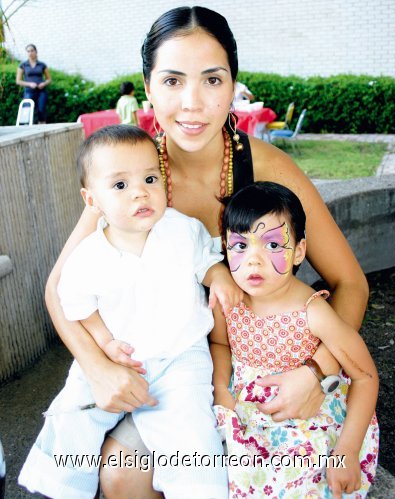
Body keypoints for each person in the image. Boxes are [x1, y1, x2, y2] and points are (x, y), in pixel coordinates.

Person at [43, 7, 369, 497]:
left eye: (212, 80)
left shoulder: (267, 167)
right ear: (148, 88)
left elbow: (350, 282)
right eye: (172, 81)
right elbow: (60, 286)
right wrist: (98, 365)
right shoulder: (130, 175)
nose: (192, 103)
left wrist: (315, 370)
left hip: (269, 370)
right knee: (119, 473)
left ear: (234, 84)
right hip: (167, 366)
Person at [19, 125, 239, 498]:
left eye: (150, 178)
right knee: (73, 413)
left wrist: (220, 279)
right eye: (120, 185)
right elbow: (78, 307)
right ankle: (59, 487)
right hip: (119, 357)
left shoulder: (182, 230)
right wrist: (105, 343)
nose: (140, 191)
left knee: (189, 427)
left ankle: (199, 488)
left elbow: (208, 262)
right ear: (92, 200)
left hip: (180, 356)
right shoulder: (88, 255)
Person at [211, 181, 379, 498]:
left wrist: (347, 450)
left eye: (273, 245)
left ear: (299, 250)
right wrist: (221, 387)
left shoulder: (313, 312)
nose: (254, 260)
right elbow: (221, 345)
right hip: (243, 413)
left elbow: (365, 375)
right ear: (225, 245)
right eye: (241, 246)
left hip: (303, 422)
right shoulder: (228, 302)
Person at [16, 44, 51, 123]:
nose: (30, 53)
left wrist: (44, 83)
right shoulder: (23, 65)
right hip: (29, 91)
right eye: (28, 51)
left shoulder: (42, 65)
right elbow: (18, 81)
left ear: (36, 52)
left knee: (41, 110)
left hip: (41, 91)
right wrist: (29, 84)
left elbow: (49, 79)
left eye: (32, 50)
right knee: (26, 110)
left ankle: (42, 129)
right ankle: (25, 129)